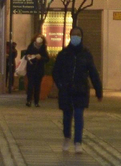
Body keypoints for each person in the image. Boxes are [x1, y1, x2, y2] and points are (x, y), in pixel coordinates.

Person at [52, 25, 102, 153]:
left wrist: (98, 90)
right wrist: (61, 85)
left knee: (79, 115)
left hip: (81, 90)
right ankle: (67, 137)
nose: (76, 37)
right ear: (70, 36)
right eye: (74, 34)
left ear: (81, 37)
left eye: (78, 35)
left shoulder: (86, 54)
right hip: (66, 90)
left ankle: (78, 141)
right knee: (67, 116)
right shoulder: (63, 54)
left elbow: (93, 72)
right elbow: (56, 72)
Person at [23, 33, 49, 107]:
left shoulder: (43, 48)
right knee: (30, 85)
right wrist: (28, 56)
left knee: (37, 86)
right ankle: (28, 101)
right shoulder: (31, 46)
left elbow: (47, 59)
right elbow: (25, 56)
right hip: (31, 68)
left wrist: (41, 58)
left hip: (39, 69)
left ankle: (36, 102)